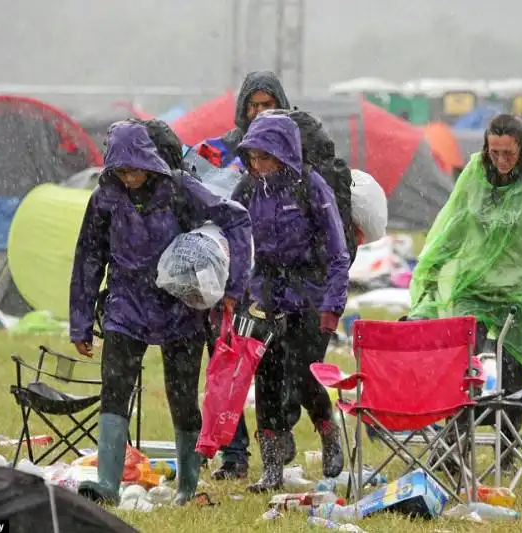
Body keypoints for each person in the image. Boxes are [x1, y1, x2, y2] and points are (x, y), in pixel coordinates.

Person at [69, 120, 252, 506]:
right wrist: (81, 321)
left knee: (182, 396)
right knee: (115, 391)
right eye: (121, 171)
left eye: (134, 169)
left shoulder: (180, 189)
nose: (129, 178)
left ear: (149, 163)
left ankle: (187, 486)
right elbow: (89, 257)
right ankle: (107, 484)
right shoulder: (105, 197)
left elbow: (235, 218)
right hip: (124, 307)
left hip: (178, 309)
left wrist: (232, 287)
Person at [407, 114, 522, 469]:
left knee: (511, 375)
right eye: (495, 152)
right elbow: (455, 224)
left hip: (516, 293)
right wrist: (431, 266)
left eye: (508, 153)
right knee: (464, 368)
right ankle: (453, 449)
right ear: (485, 148)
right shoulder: (475, 173)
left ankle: (506, 452)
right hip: (472, 287)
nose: (502, 160)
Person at [231, 112, 350, 492]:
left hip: (310, 294)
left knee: (302, 373)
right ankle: (271, 469)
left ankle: (327, 429)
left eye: (265, 157)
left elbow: (337, 251)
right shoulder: (247, 191)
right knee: (265, 378)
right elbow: (231, 238)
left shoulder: (311, 187)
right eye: (252, 157)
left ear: (283, 153)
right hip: (266, 295)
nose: (258, 165)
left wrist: (332, 305)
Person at [196, 70, 292, 482]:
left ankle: (279, 433)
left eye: (267, 104)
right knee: (226, 360)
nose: (259, 112)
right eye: (253, 105)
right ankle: (233, 454)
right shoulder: (223, 150)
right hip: (230, 270)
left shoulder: (296, 149)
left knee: (278, 366)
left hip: (279, 274)